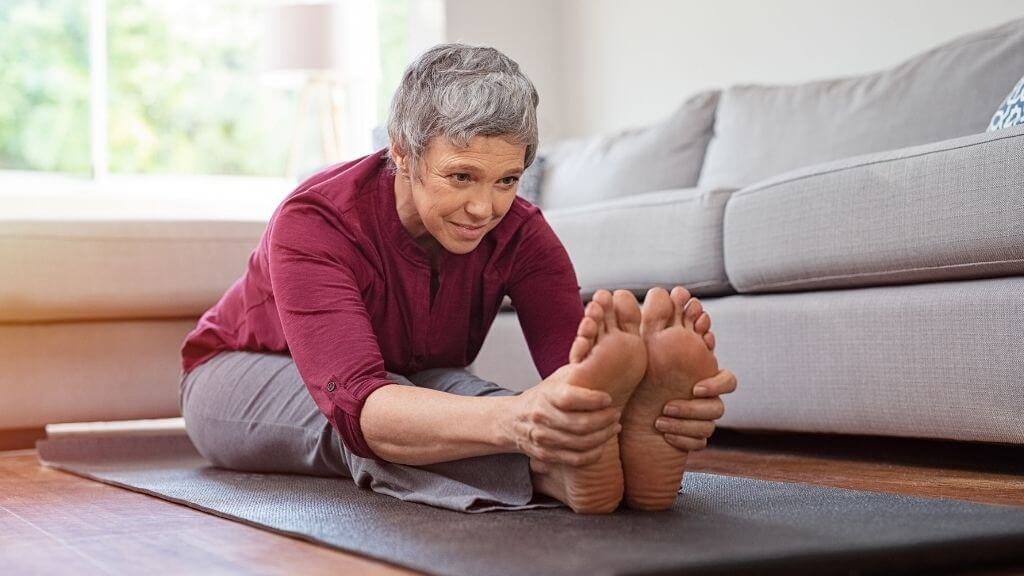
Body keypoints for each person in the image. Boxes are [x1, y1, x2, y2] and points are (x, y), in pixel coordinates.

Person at [178, 43, 737, 514]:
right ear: (402, 152)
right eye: (461, 176)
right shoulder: (315, 221)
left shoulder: (523, 232)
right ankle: (547, 473)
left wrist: (644, 408)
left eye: (506, 179)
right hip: (245, 373)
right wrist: (521, 420)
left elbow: (575, 378)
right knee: (389, 425)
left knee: (474, 400)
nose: (484, 207)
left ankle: (578, 460)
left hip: (410, 377)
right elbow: (360, 403)